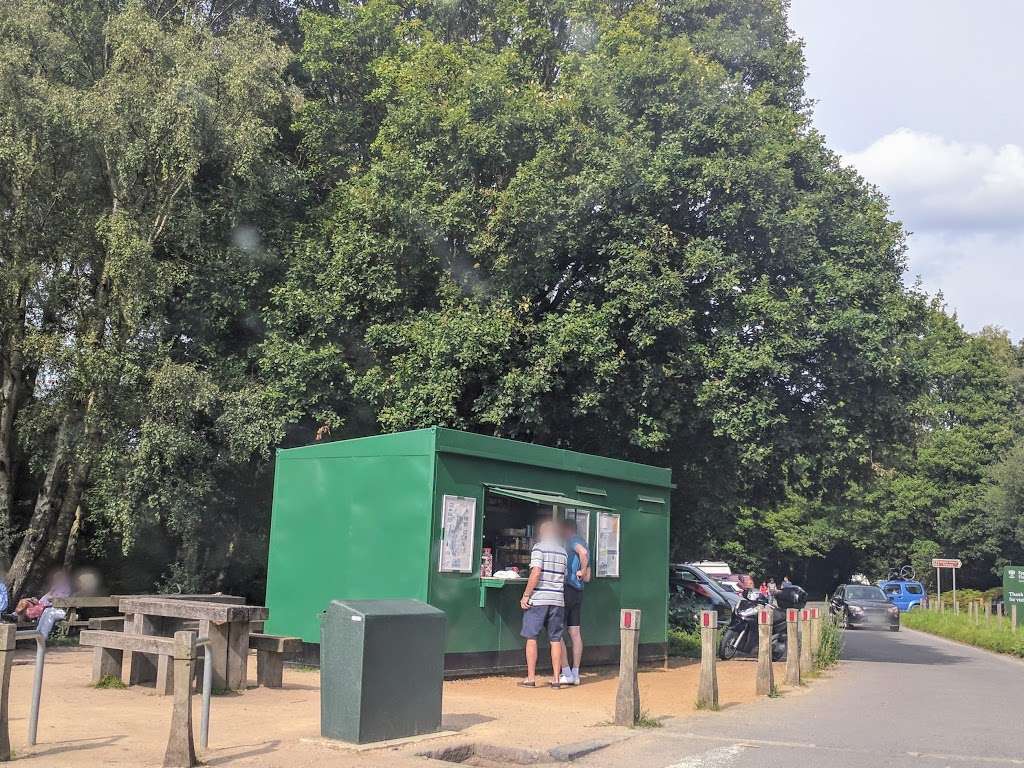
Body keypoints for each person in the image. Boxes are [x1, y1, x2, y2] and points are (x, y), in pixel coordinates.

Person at [519, 520, 567, 689]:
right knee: (556, 639)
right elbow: (564, 576)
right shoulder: (563, 552)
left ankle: (531, 678)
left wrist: (526, 595)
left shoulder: (538, 548)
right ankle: (556, 679)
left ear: (543, 533)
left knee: (531, 637)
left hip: (539, 599)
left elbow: (536, 572)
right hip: (558, 600)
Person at [559, 519, 590, 686]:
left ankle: (566, 671)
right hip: (579, 591)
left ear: (566, 529)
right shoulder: (584, 542)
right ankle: (576, 673)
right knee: (575, 633)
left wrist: (582, 570)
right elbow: (589, 577)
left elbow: (582, 553)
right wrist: (584, 571)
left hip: (568, 589)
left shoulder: (572, 541)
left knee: (556, 630)